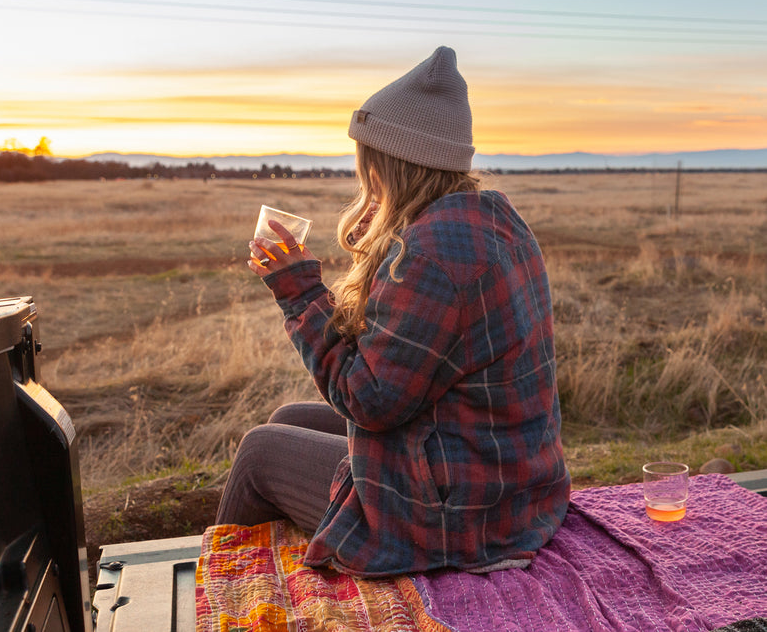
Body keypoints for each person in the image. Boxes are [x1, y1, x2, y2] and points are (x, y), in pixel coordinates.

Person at [215, 46, 570, 578]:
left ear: (391, 163)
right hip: (504, 479)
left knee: (261, 451)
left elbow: (369, 399)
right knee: (289, 419)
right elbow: (400, 363)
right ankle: (277, 576)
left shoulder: (432, 251)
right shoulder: (492, 219)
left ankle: (225, 593)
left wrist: (297, 294)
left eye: (369, 161)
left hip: (467, 515)